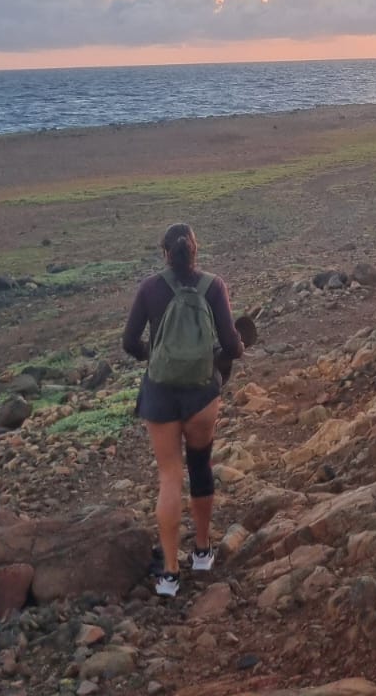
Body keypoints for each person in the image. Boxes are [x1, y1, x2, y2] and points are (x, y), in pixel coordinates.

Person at [122, 222, 244, 596]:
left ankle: (171, 574)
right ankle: (203, 552)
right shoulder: (213, 286)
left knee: (170, 477)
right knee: (200, 464)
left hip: (160, 395)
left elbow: (129, 342)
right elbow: (232, 345)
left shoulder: (149, 288)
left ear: (164, 253)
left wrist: (154, 356)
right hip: (202, 395)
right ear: (196, 251)